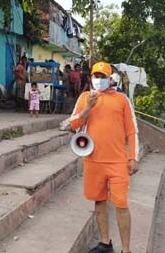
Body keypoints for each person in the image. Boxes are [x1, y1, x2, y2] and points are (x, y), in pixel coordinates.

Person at [67, 61, 139, 253]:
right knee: (98, 201)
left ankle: (126, 250)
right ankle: (105, 243)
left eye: (102, 77)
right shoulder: (84, 97)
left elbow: (132, 131)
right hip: (92, 159)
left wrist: (133, 157)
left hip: (117, 161)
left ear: (110, 79)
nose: (98, 80)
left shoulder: (122, 100)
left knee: (121, 204)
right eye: (95, 76)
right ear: (91, 78)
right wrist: (88, 107)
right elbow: (72, 124)